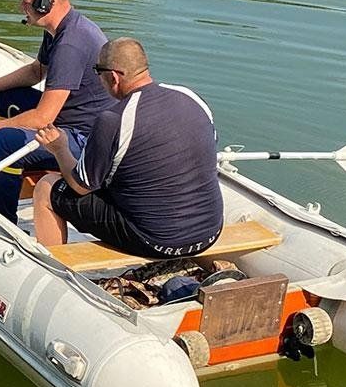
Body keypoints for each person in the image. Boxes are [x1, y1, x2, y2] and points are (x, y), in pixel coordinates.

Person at [31, 37, 224, 257]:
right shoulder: (191, 97)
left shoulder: (113, 119)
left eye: (97, 71)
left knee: (47, 187)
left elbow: (80, 186)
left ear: (113, 77)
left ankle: (51, 266)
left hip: (154, 240)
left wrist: (59, 148)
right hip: (210, 231)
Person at [0, 0, 115, 222]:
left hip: (83, 140)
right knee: (3, 98)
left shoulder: (70, 44)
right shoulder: (60, 29)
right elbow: (37, 71)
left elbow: (43, 117)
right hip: (66, 120)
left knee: (5, 140)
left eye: (25, 3)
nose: (20, 8)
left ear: (46, 2)